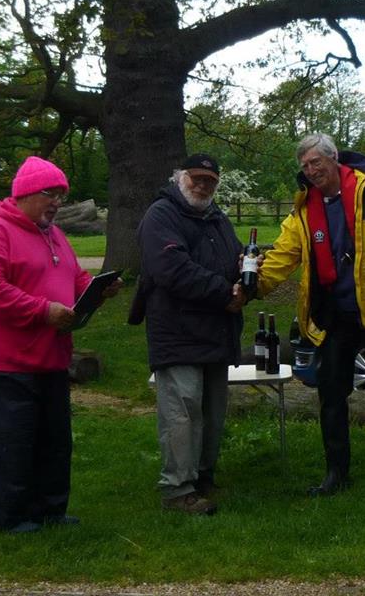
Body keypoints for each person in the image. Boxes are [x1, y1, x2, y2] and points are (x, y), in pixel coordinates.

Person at [257, 133, 365, 495]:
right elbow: (283, 256)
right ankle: (336, 473)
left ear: (334, 160)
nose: (312, 171)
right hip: (334, 316)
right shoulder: (303, 208)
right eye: (305, 166)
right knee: (330, 395)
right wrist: (252, 286)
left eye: (316, 162)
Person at [0, 155, 121, 533]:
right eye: (50, 194)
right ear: (25, 194)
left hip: (51, 356)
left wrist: (96, 290)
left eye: (62, 196)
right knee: (11, 441)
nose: (57, 202)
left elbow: (76, 276)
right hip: (7, 360)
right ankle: (11, 515)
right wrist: (42, 311)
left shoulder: (54, 233)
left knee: (53, 440)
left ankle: (51, 509)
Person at [137, 153, 246, 515]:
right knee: (181, 411)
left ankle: (202, 476)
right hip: (177, 331)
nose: (202, 185)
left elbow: (235, 260)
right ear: (179, 177)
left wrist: (248, 280)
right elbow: (171, 268)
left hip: (215, 331)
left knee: (212, 411)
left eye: (209, 181)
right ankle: (177, 489)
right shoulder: (161, 215)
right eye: (195, 178)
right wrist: (224, 292)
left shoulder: (217, 218)